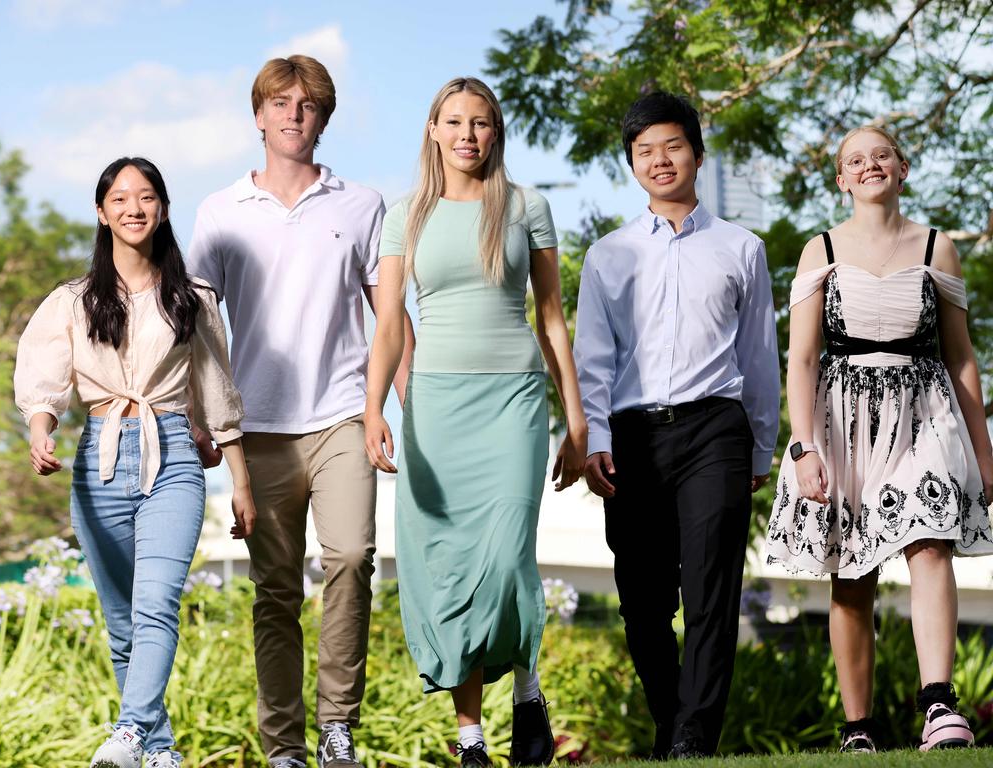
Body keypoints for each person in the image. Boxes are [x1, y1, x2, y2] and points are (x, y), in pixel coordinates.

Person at [186, 56, 414, 768]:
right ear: (258, 116)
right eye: (281, 103)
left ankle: (338, 726)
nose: (294, 114)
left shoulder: (362, 204)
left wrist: (417, 410)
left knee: (351, 557)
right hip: (256, 431)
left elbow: (389, 318)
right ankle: (284, 745)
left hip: (344, 415)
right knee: (275, 591)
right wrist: (202, 418)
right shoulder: (220, 212)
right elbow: (196, 320)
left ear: (324, 117)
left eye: (308, 104)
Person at [363, 76, 587, 768]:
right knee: (451, 569)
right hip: (434, 405)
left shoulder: (526, 206)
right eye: (454, 121)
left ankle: (525, 682)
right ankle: (471, 739)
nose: (467, 134)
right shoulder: (406, 215)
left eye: (481, 122)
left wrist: (577, 425)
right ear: (433, 130)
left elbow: (551, 318)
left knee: (504, 554)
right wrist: (374, 410)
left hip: (514, 402)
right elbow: (391, 326)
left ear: (497, 133)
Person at [14, 157, 254, 768]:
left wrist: (240, 481)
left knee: (155, 604)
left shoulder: (192, 297)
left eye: (146, 197)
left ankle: (128, 731)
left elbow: (218, 389)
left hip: (171, 452)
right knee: (122, 621)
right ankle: (159, 749)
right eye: (120, 199)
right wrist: (42, 430)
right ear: (101, 212)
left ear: (163, 208)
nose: (134, 208)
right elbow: (45, 378)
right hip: (98, 456)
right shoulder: (73, 300)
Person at [766, 126, 993, 752]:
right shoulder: (821, 250)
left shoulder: (937, 248)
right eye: (855, 160)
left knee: (930, 546)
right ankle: (857, 729)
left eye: (882, 155)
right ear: (842, 179)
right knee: (852, 576)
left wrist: (984, 449)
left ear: (904, 168)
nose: (870, 165)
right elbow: (803, 360)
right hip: (842, 422)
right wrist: (804, 448)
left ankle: (939, 707)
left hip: (924, 413)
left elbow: (962, 357)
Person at [573, 91, 781, 759]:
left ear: (696, 151)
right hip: (631, 437)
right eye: (644, 151)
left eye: (672, 146)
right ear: (631, 163)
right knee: (641, 597)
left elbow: (758, 354)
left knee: (712, 593)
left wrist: (762, 441)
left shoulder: (740, 248)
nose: (660, 160)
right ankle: (672, 719)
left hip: (716, 429)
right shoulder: (608, 256)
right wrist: (594, 441)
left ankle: (695, 738)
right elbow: (592, 358)